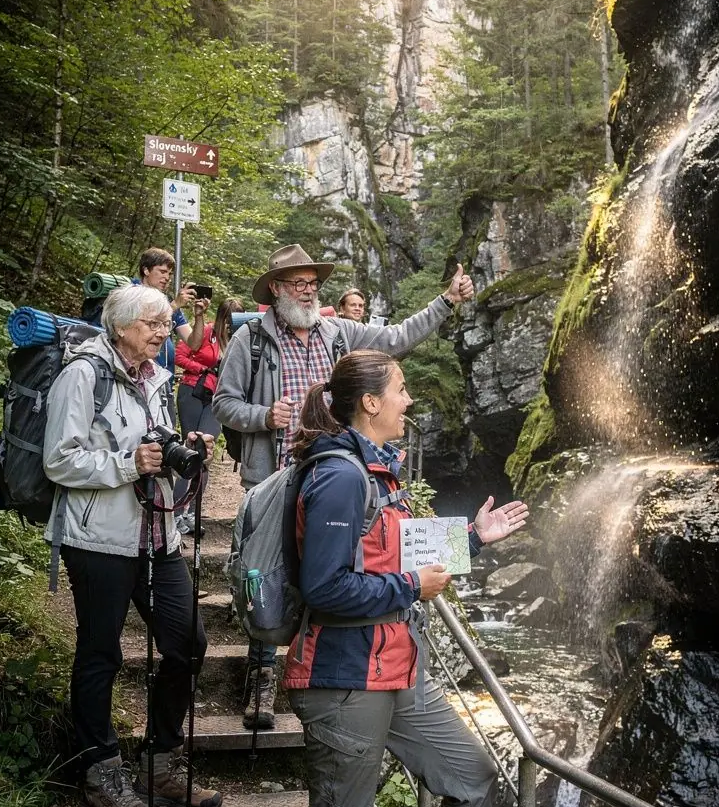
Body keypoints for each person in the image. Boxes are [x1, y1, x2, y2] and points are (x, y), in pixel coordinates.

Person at [282, 351, 556, 807]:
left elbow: (396, 551)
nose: (410, 400)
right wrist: (412, 590)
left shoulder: (377, 470)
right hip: (344, 679)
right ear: (370, 402)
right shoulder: (341, 476)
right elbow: (325, 588)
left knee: (470, 774)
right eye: (401, 390)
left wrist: (472, 541)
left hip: (396, 670)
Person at [213, 242, 474, 731]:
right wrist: (263, 415)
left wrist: (446, 301)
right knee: (270, 573)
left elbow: (396, 338)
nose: (308, 291)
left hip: (336, 477)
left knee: (333, 572)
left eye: (313, 283)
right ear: (276, 289)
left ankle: (323, 673)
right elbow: (223, 403)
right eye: (298, 283)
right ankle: (262, 677)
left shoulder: (339, 333)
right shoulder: (251, 340)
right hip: (275, 479)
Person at [43, 283, 223, 807]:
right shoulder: (82, 375)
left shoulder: (156, 378)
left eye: (166, 323)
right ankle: (101, 773)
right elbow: (59, 460)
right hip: (98, 539)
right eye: (153, 323)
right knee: (101, 653)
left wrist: (181, 447)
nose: (163, 332)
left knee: (187, 643)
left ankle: (158, 762)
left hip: (156, 535)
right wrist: (128, 463)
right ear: (120, 326)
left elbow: (152, 443)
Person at [174, 296, 244, 534]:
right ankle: (176, 513)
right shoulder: (204, 332)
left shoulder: (241, 340)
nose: (229, 326)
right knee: (190, 450)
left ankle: (193, 512)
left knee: (204, 453)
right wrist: (203, 369)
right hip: (193, 391)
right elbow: (180, 356)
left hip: (217, 398)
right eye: (227, 320)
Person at [132, 247, 208, 375]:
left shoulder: (167, 301)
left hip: (164, 378)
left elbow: (194, 344)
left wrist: (199, 315)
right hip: (138, 374)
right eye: (162, 272)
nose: (167, 277)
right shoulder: (131, 293)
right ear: (146, 270)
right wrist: (174, 306)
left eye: (169, 273)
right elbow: (139, 326)